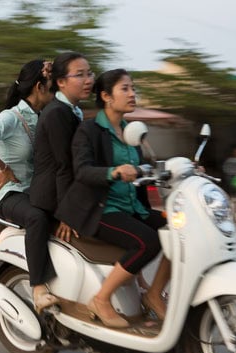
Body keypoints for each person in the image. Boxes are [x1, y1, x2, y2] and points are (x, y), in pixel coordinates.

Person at [56, 69, 170, 329]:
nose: (132, 94)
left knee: (179, 230)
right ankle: (101, 298)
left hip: (132, 207)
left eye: (133, 88)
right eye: (125, 89)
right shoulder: (90, 130)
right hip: (102, 210)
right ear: (106, 96)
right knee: (147, 242)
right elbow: (82, 171)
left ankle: (153, 294)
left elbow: (150, 167)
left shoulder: (133, 131)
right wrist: (114, 171)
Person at [0, 59, 59, 313]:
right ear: (40, 87)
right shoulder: (11, 118)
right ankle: (39, 288)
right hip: (11, 195)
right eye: (53, 87)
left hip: (36, 192)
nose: (57, 92)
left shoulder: (47, 116)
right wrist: (3, 167)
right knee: (37, 218)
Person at [29, 51, 94, 242]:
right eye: (79, 75)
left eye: (89, 73)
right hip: (52, 199)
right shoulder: (57, 113)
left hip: (63, 194)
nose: (88, 80)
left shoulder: (71, 110)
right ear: (61, 82)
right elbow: (64, 166)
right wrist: (67, 214)